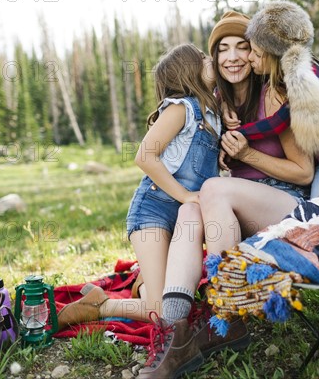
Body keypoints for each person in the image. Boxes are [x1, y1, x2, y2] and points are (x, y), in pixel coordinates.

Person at [136, 10, 315, 379]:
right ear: (214, 59)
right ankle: (176, 334)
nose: (232, 56)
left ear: (255, 54)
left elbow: (304, 171)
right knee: (191, 208)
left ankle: (227, 310)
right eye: (222, 49)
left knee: (210, 190)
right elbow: (173, 138)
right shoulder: (214, 104)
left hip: (286, 208)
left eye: (241, 47)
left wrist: (247, 154)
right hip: (234, 216)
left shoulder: (273, 95)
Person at [57, 44, 221, 330]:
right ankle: (102, 305)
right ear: (190, 72)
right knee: (164, 313)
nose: (212, 61)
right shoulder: (182, 109)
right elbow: (144, 156)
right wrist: (185, 196)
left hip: (181, 220)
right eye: (204, 58)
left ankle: (146, 280)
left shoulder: (213, 115)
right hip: (153, 212)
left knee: (180, 299)